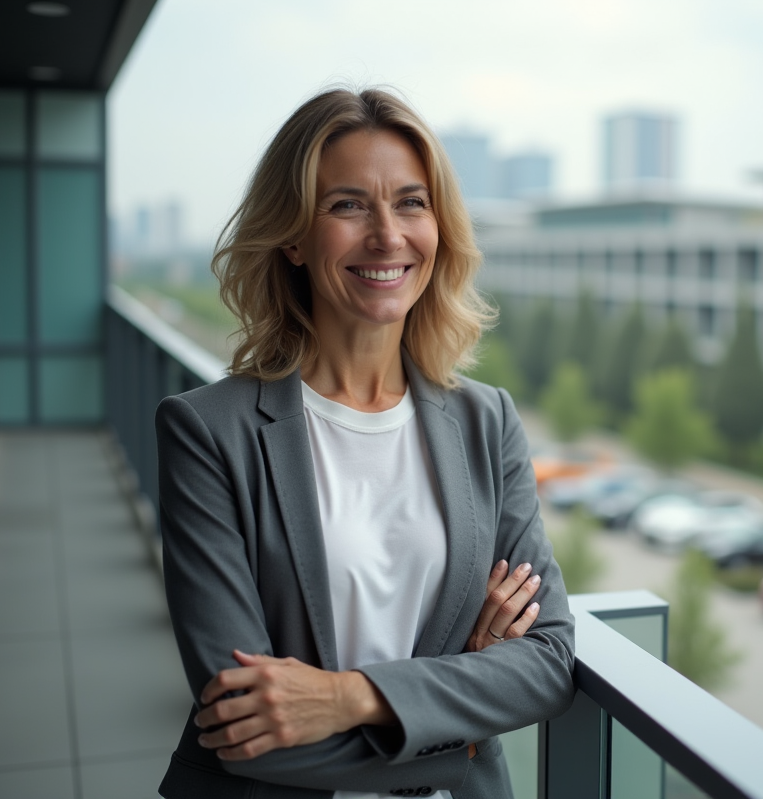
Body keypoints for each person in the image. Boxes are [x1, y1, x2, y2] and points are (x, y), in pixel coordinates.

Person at [154, 87, 575, 799]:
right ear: (292, 235)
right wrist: (463, 727)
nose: (387, 234)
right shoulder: (206, 433)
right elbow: (246, 729)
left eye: (411, 202)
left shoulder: (487, 422)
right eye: (348, 205)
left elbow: (547, 662)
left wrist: (349, 696)